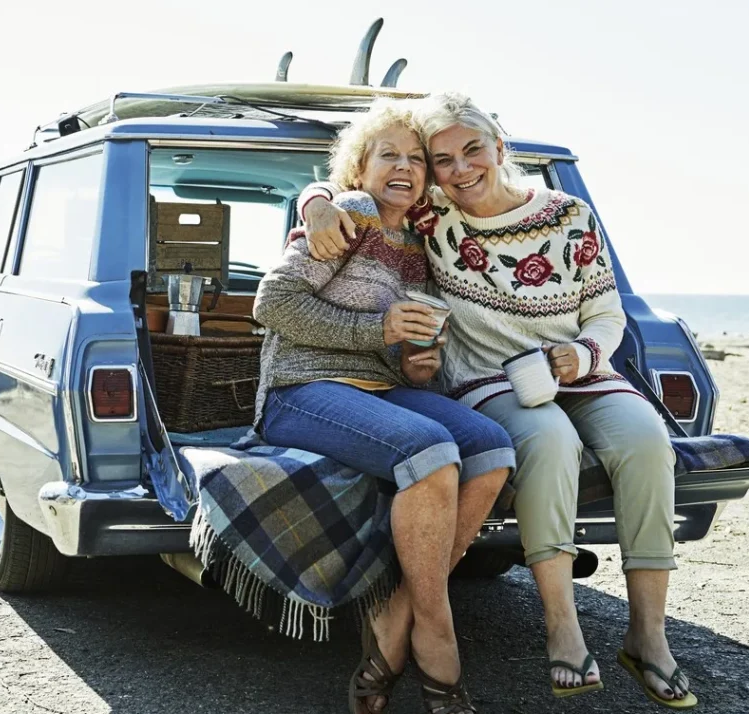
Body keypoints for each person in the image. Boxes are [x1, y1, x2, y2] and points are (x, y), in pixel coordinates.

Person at [297, 92, 695, 709]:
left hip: (582, 372)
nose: (459, 169)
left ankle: (648, 636)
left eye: (472, 151)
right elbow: (365, 187)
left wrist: (584, 355)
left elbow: (606, 312)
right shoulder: (433, 216)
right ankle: (562, 626)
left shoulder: (568, 213)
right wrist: (314, 200)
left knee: (647, 439)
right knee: (552, 440)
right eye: (443, 159)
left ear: (501, 148)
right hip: (490, 380)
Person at [252, 99, 515, 714]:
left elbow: (400, 348)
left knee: (492, 446)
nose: (405, 166)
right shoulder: (352, 213)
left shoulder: (420, 241)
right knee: (431, 450)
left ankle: (397, 622)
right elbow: (273, 303)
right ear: (359, 168)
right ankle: (439, 634)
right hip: (301, 390)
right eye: (387, 155)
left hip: (380, 388)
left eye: (416, 158)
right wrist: (379, 330)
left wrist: (415, 360)